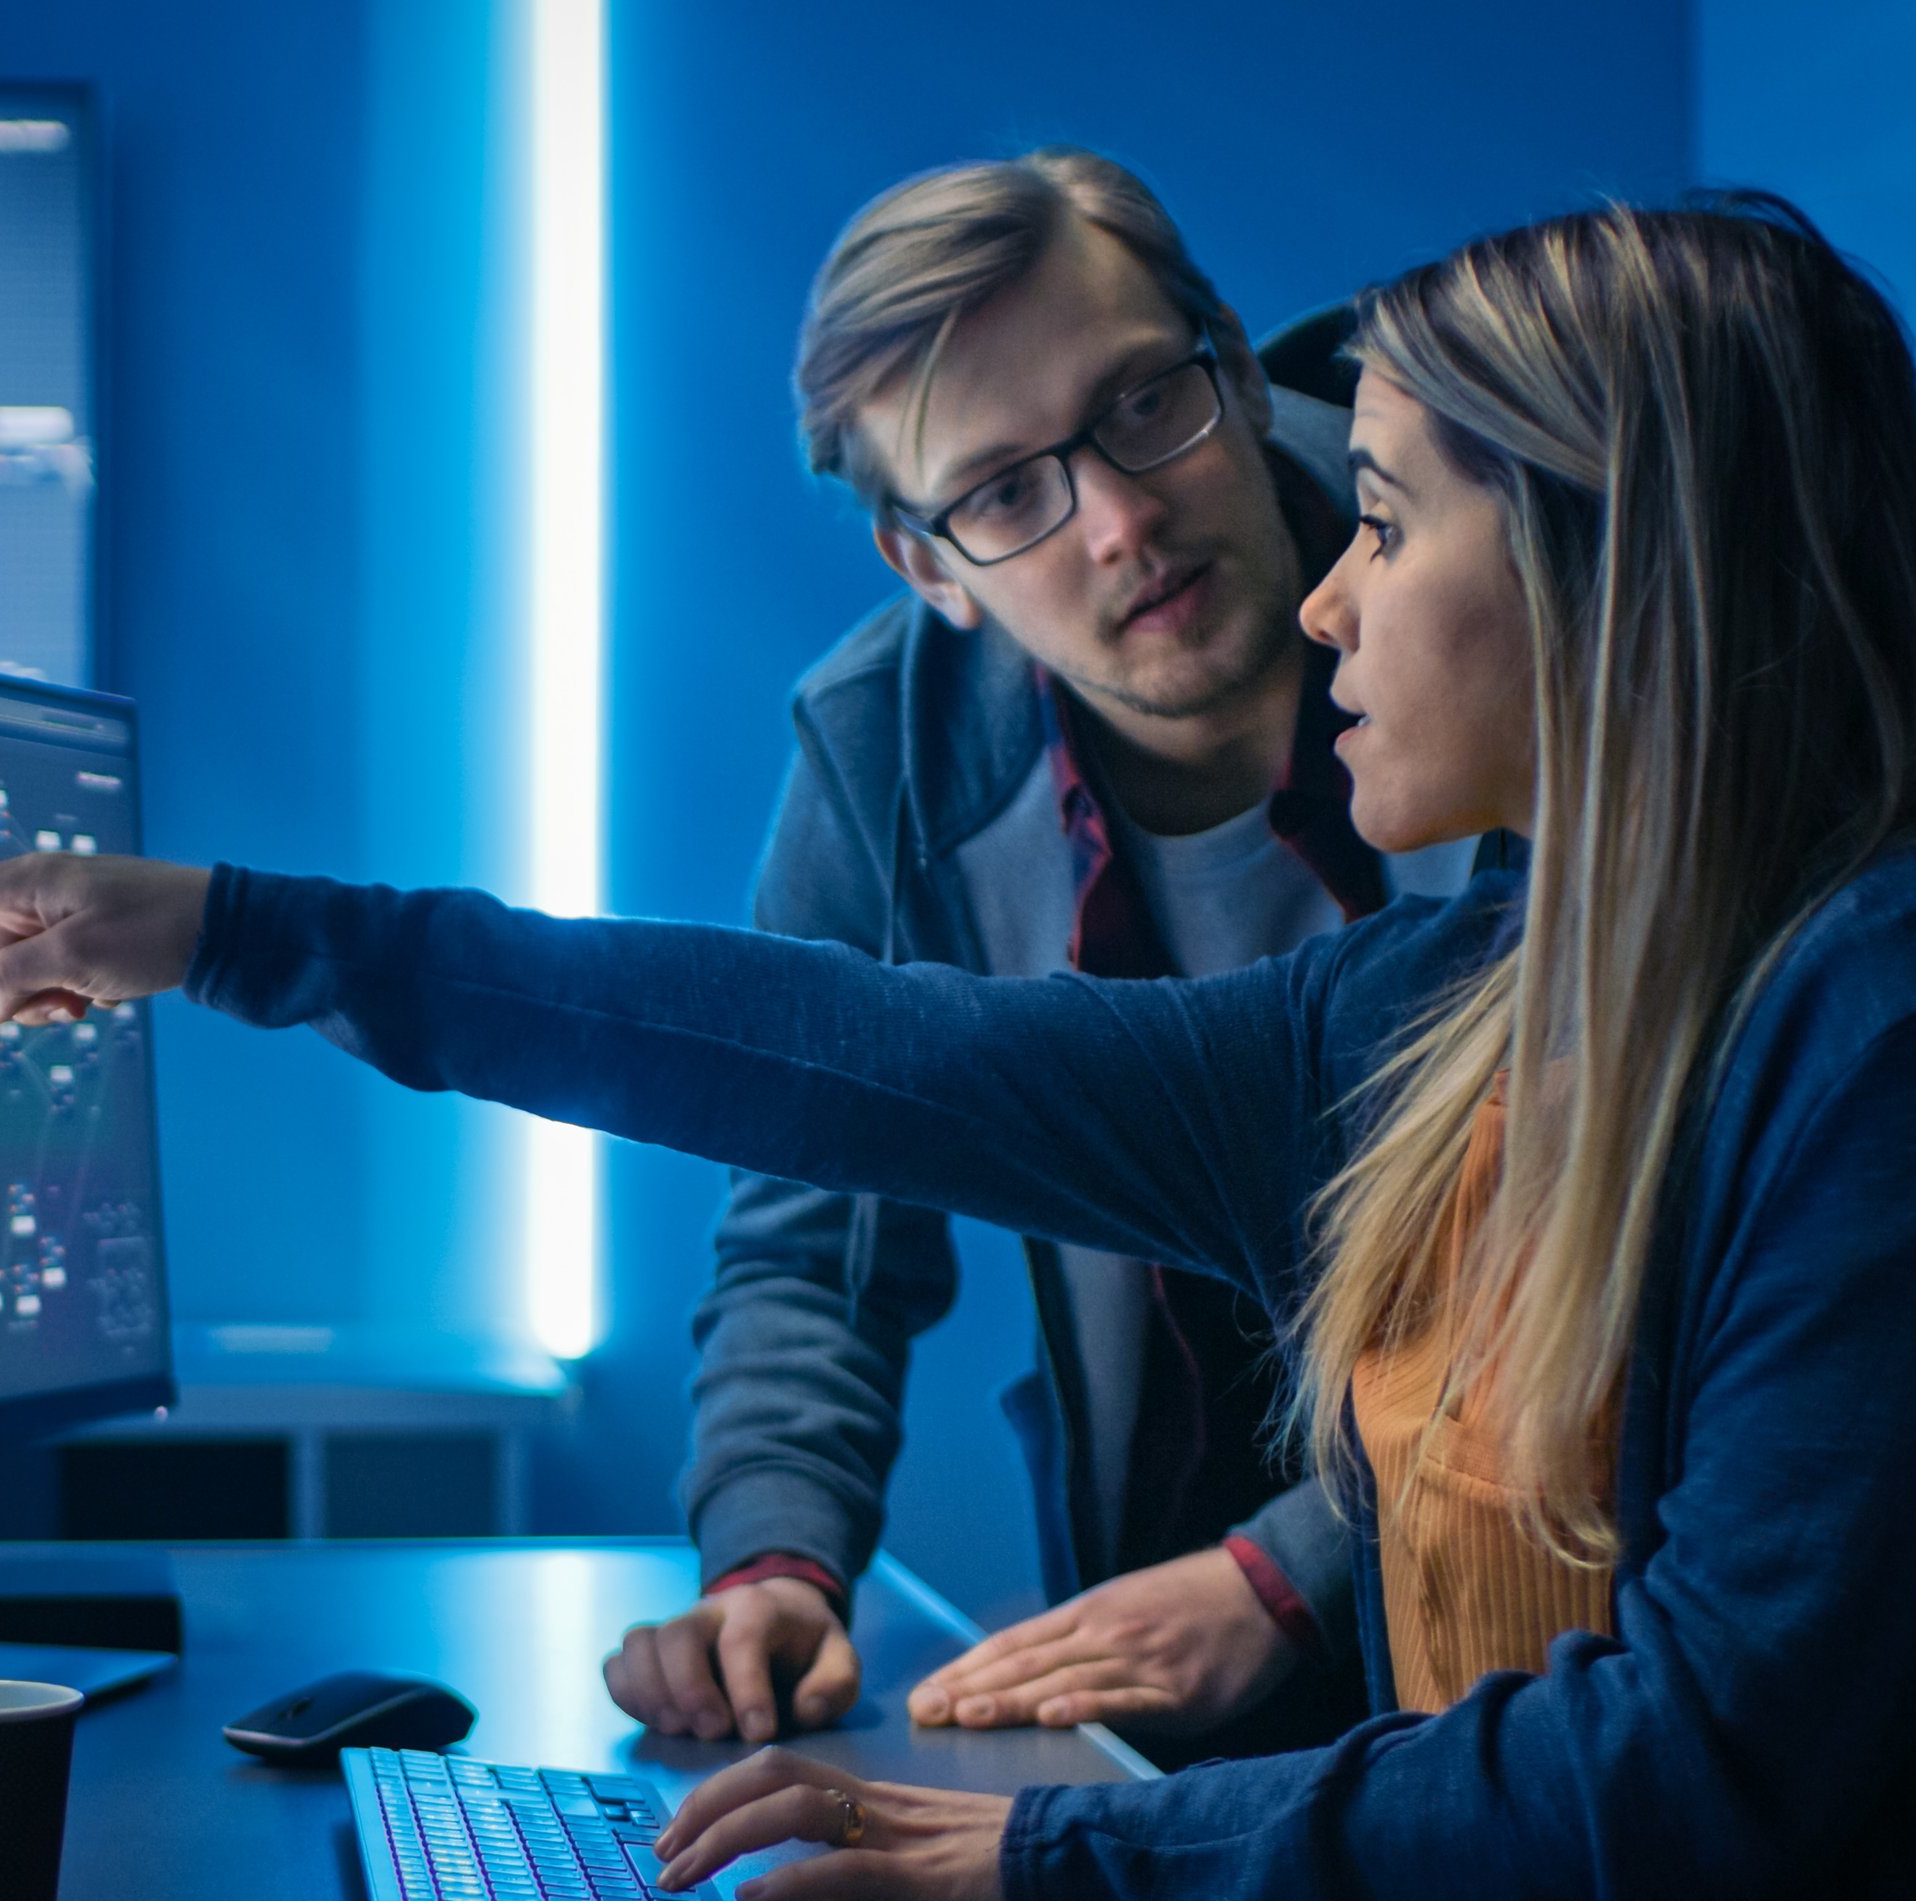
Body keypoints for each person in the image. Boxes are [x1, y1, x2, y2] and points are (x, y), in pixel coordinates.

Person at [0, 197, 1916, 1901]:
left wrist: (1047, 1863)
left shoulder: (1910, 1026)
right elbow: (862, 1067)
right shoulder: (1477, 998)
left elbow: (1699, 1749)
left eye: (1390, 518)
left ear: (1608, 562)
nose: (1323, 588)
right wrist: (240, 931)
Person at [620, 150, 1474, 1758]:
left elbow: (1628, 1218)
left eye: (1146, 403)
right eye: (1007, 492)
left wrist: (1295, 1570)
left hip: (1547, 1609)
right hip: (1166, 1624)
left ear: (1234, 362)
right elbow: (817, 1235)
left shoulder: (1495, 574)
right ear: (927, 566)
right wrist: (775, 1562)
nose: (1124, 520)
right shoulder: (887, 755)